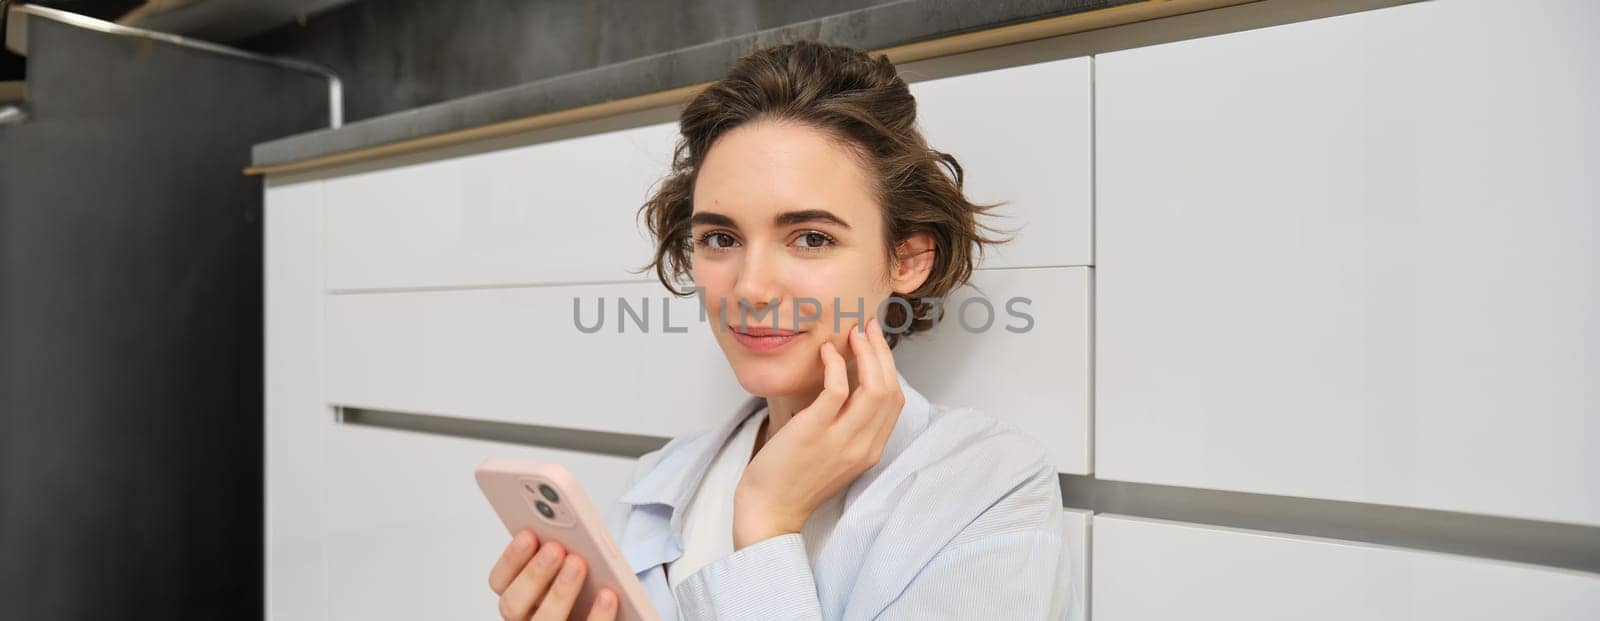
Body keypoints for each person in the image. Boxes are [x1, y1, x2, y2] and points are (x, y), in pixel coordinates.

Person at [487, 39, 1071, 620]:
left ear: (909, 259)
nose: (751, 289)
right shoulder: (662, 482)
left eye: (811, 238)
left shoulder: (988, 488)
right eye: (721, 238)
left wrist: (767, 522)